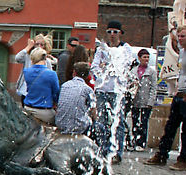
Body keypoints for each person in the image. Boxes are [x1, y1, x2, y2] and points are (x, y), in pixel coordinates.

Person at [144, 25, 186, 171]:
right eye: (179, 36)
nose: (180, 39)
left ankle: (183, 160)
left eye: (182, 36)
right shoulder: (182, 52)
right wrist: (177, 91)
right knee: (170, 127)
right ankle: (162, 154)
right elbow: (182, 73)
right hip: (180, 94)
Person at [92, 20, 131, 163]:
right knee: (101, 122)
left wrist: (107, 66)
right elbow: (95, 67)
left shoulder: (125, 49)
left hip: (117, 90)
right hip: (102, 88)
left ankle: (116, 152)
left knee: (118, 121)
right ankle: (102, 150)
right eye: (109, 32)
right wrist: (103, 72)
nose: (112, 35)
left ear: (120, 33)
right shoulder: (102, 49)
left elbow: (125, 66)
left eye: (115, 32)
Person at [55, 62, 96, 135]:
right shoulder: (87, 89)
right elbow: (93, 110)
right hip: (78, 127)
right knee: (100, 127)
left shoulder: (65, 85)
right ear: (87, 75)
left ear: (74, 72)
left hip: (60, 124)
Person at [22, 47, 60, 125]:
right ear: (45, 58)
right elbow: (56, 93)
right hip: (45, 112)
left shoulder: (26, 72)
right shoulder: (51, 74)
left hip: (28, 109)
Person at [129, 49, 157, 150]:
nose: (146, 59)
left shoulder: (152, 72)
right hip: (135, 100)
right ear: (139, 58)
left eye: (148, 57)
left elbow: (154, 87)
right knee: (135, 121)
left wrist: (151, 101)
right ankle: (135, 141)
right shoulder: (133, 70)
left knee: (144, 122)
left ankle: (141, 143)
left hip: (146, 101)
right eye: (144, 57)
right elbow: (129, 84)